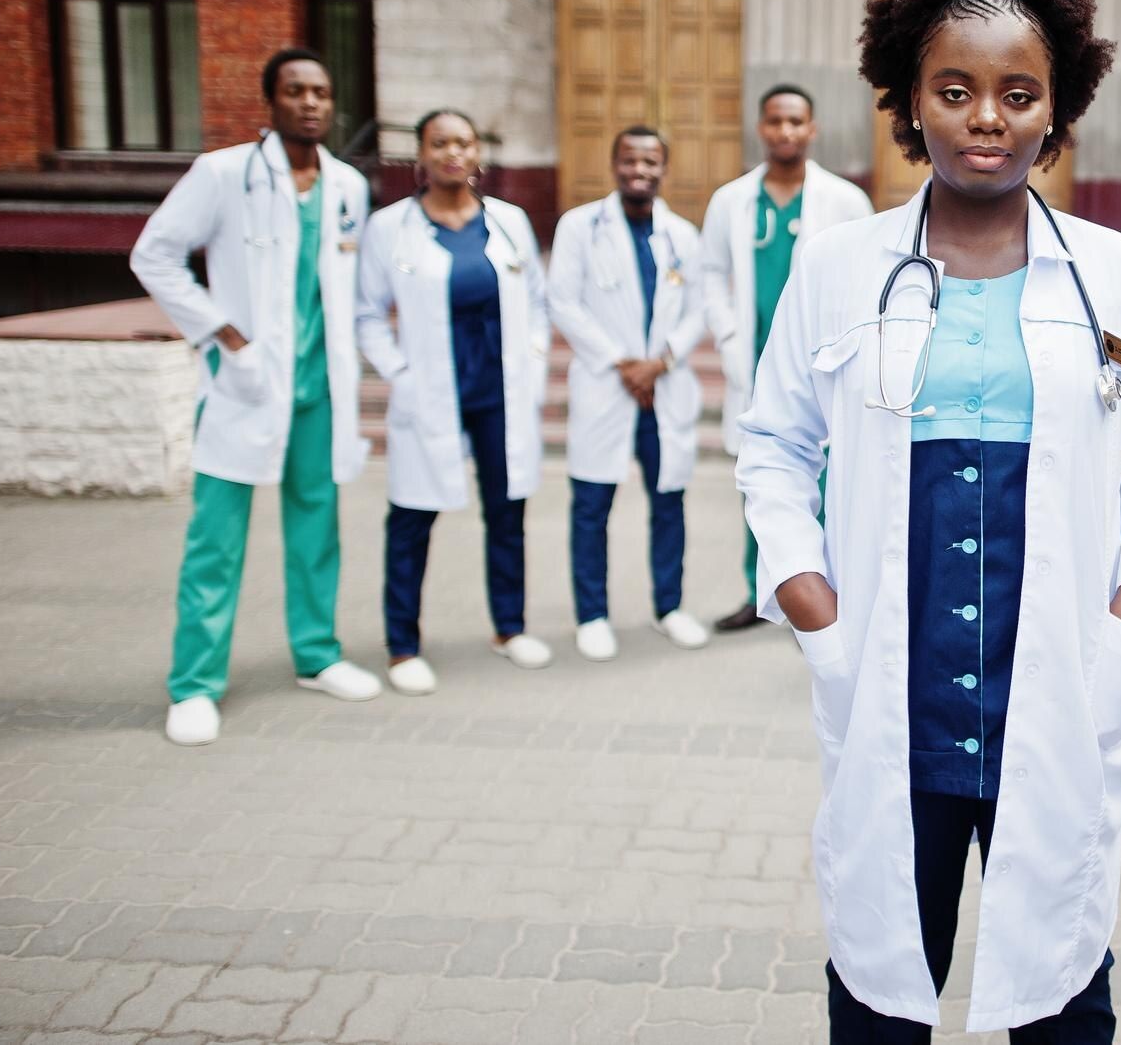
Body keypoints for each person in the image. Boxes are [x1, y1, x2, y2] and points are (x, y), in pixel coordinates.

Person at [736, 0, 1121, 1041]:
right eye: (953, 89)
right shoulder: (838, 265)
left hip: (1057, 677)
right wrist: (812, 601)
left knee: (1060, 981)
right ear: (908, 97)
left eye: (1016, 91)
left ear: (1058, 106)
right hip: (891, 676)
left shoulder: (1112, 272)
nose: (985, 117)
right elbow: (771, 443)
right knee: (879, 986)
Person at [130, 48, 381, 746]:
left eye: (322, 93)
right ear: (270, 100)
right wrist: (220, 330)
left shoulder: (346, 187)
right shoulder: (223, 173)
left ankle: (317, 653)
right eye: (296, 91)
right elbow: (153, 253)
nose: (311, 104)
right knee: (216, 539)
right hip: (244, 385)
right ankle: (194, 684)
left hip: (318, 389)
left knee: (316, 530)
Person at [355, 110, 552, 694]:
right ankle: (403, 645)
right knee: (412, 518)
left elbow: (537, 303)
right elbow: (368, 315)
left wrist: (536, 362)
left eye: (462, 142)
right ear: (421, 153)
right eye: (439, 143)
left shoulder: (510, 222)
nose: (451, 153)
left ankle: (509, 628)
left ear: (477, 155)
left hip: (500, 391)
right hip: (433, 393)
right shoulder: (391, 228)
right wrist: (400, 373)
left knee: (507, 512)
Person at [699, 84, 874, 632]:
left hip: (819, 363)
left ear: (812, 129)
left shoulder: (844, 200)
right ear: (761, 128)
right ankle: (760, 593)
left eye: (796, 122)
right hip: (753, 359)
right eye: (775, 121)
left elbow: (866, 279)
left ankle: (820, 599)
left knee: (825, 484)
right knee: (763, 479)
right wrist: (727, 335)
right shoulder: (731, 200)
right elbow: (710, 274)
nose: (786, 132)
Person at [549, 127, 712, 660]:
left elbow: (699, 309)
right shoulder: (580, 227)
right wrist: (623, 364)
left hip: (662, 388)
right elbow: (563, 303)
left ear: (664, 168)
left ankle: (669, 607)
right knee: (591, 504)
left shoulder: (682, 235)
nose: (639, 169)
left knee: (669, 502)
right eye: (629, 160)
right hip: (608, 385)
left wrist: (659, 363)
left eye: (650, 161)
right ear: (614, 164)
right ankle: (592, 615)